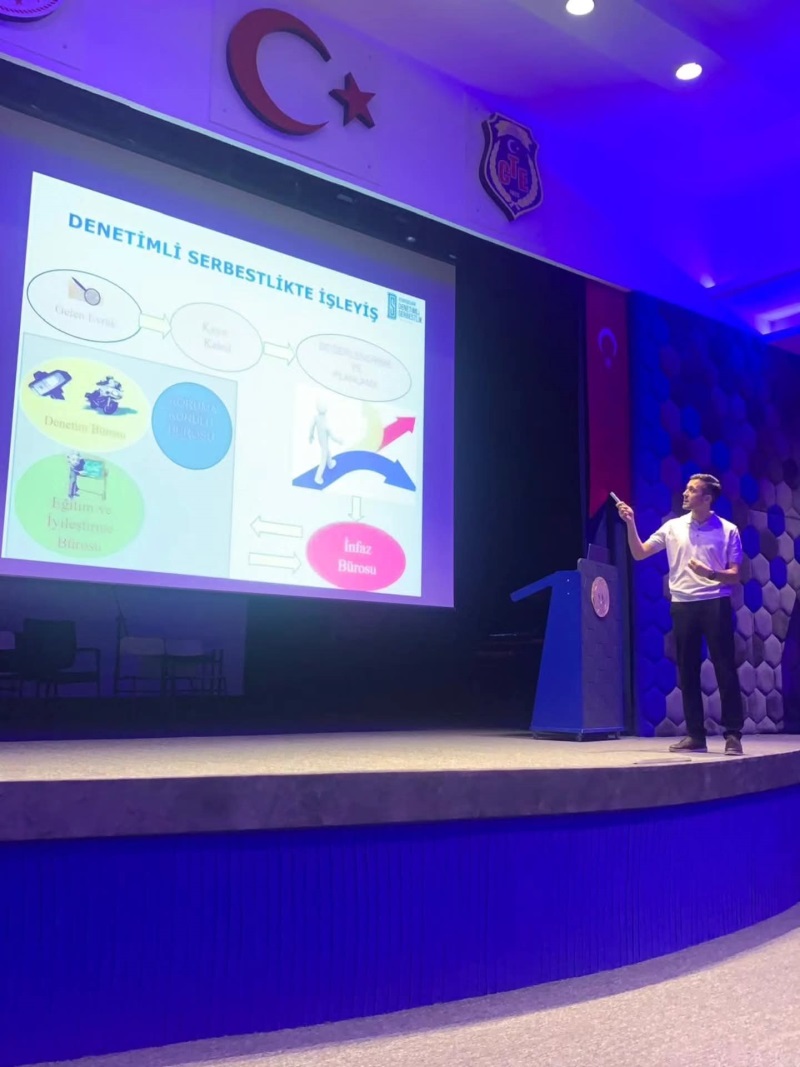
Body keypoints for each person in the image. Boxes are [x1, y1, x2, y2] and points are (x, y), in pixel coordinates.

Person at [617, 474, 745, 755]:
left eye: (692, 490)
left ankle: (733, 735)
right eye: (686, 488)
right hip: (683, 604)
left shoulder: (728, 530)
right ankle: (695, 735)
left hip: (715, 602)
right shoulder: (672, 527)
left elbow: (735, 575)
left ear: (707, 498)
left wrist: (710, 573)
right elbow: (639, 553)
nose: (685, 493)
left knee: (724, 668)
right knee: (687, 670)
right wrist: (630, 523)